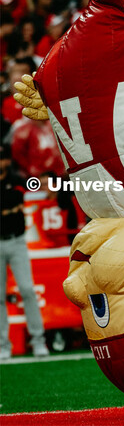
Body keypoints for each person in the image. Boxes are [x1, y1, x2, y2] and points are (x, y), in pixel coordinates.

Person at [0, 144, 49, 359]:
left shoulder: (18, 181)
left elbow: (37, 186)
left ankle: (38, 340)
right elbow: (11, 204)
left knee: (28, 290)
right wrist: (11, 209)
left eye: (3, 159)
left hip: (17, 241)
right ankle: (3, 345)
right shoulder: (16, 184)